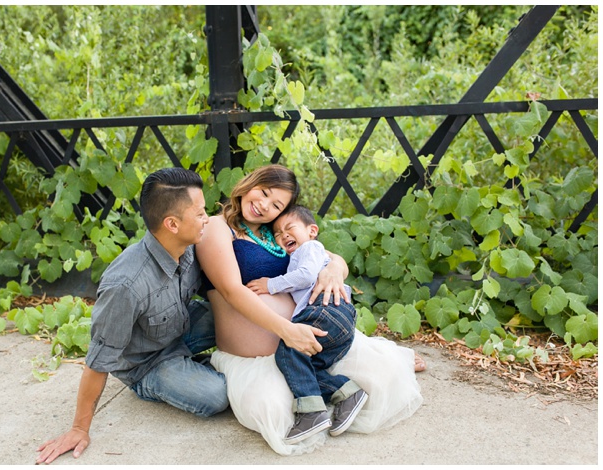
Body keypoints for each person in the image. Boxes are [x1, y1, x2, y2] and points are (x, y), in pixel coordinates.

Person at [196, 164, 424, 456]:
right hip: (262, 351)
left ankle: (349, 378)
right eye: (263, 192)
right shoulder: (217, 227)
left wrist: (333, 272)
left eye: (276, 205)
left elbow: (328, 256)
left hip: (307, 338)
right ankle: (331, 393)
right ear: (250, 183)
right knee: (275, 409)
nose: (264, 205)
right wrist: (287, 331)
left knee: (385, 375)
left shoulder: (278, 232)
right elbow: (231, 290)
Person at [36, 168, 228, 464]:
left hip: (180, 327)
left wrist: (328, 263)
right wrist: (78, 428)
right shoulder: (125, 285)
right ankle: (161, 383)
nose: (208, 219)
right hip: (147, 363)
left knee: (237, 315)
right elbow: (98, 362)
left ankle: (200, 363)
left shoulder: (190, 246)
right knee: (216, 396)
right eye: (201, 213)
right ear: (172, 224)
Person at [246, 205, 367, 444]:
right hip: (337, 322)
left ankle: (311, 413)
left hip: (325, 310)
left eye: (289, 228)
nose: (283, 236)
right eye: (278, 234)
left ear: (312, 230)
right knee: (302, 368)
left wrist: (270, 285)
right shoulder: (296, 255)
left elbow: (307, 275)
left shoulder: (310, 248)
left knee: (289, 350)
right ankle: (348, 392)